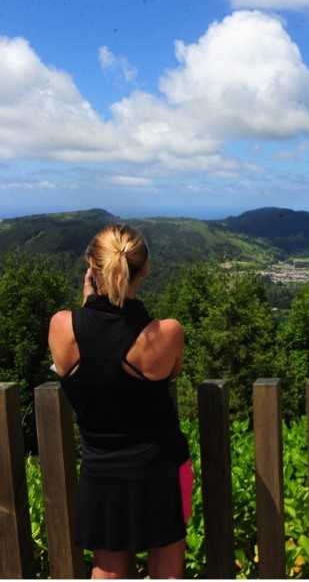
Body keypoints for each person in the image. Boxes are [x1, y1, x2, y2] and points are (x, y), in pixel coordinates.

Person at [47, 223, 192, 579]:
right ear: (144, 271)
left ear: (90, 267)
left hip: (101, 466)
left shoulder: (62, 327)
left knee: (108, 567)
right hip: (160, 463)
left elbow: (89, 355)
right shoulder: (166, 333)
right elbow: (170, 373)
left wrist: (88, 306)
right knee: (167, 561)